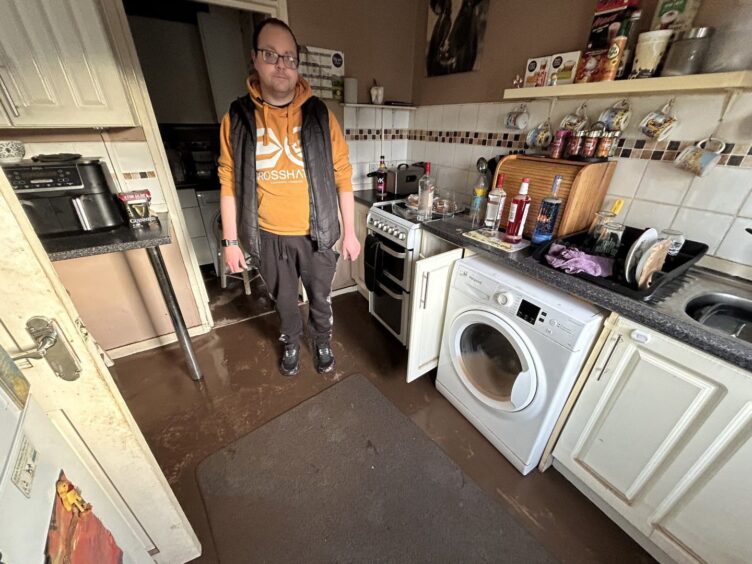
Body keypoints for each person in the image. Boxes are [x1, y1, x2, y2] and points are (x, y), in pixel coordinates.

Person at [218, 18, 360, 377]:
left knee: (320, 299)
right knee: (284, 302)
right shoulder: (236, 118)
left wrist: (351, 231)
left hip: (318, 235)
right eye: (271, 54)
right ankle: (292, 343)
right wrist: (231, 241)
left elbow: (343, 175)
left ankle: (323, 340)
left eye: (289, 57)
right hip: (268, 237)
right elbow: (229, 183)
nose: (281, 64)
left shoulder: (319, 115)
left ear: (297, 63)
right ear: (255, 58)